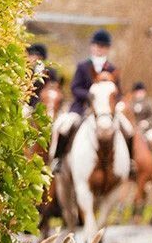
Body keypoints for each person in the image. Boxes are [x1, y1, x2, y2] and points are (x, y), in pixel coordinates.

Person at [51, 29, 133, 173]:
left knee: (128, 129)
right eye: (97, 45)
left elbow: (118, 92)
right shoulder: (83, 66)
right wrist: (90, 95)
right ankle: (59, 159)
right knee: (65, 127)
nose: (99, 49)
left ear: (107, 49)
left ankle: (131, 162)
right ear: (92, 46)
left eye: (103, 46)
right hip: (83, 107)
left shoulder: (112, 69)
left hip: (106, 111)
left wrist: (113, 101)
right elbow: (75, 87)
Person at [26, 42, 60, 109]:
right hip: (27, 102)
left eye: (32, 55)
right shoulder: (27, 69)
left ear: (40, 57)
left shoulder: (51, 72)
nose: (29, 57)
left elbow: (53, 89)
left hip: (44, 103)